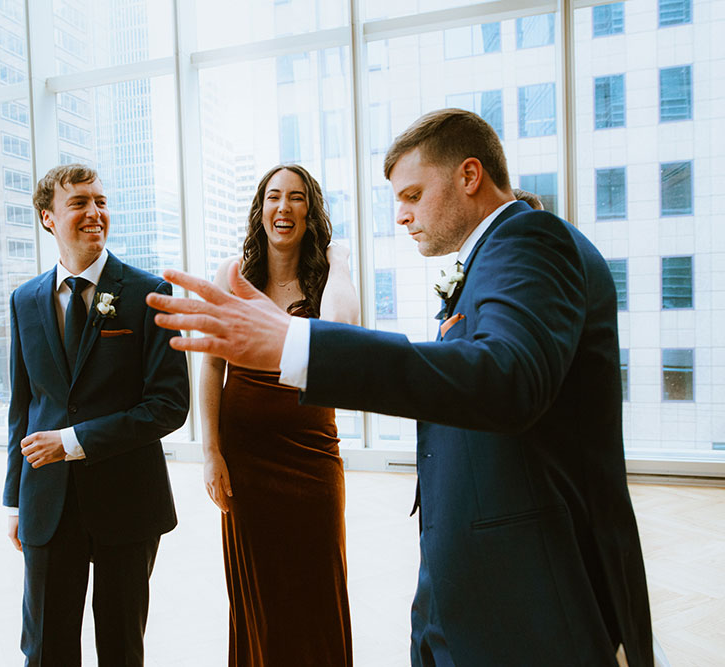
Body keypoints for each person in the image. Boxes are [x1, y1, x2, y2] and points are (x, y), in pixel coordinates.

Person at [146, 109, 653, 666]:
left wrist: (297, 345)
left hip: (530, 580)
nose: (402, 217)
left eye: (412, 195)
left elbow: (506, 379)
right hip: (471, 571)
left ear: (469, 176)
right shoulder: (492, 258)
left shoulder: (529, 238)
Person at [4, 164, 189, 667]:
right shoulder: (24, 301)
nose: (95, 213)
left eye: (101, 201)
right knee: (44, 648)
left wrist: (72, 441)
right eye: (79, 203)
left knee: (121, 646)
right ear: (48, 217)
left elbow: (169, 405)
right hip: (46, 502)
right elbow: (22, 408)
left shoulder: (151, 293)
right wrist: (16, 502)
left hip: (127, 499)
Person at [202, 165, 359, 666]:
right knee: (259, 598)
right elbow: (208, 367)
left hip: (312, 463)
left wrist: (342, 259)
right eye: (273, 196)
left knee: (316, 592)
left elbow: (342, 334)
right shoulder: (231, 277)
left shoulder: (325, 282)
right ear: (260, 209)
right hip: (246, 464)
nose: (283, 207)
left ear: (310, 213)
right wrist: (210, 453)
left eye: (296, 198)